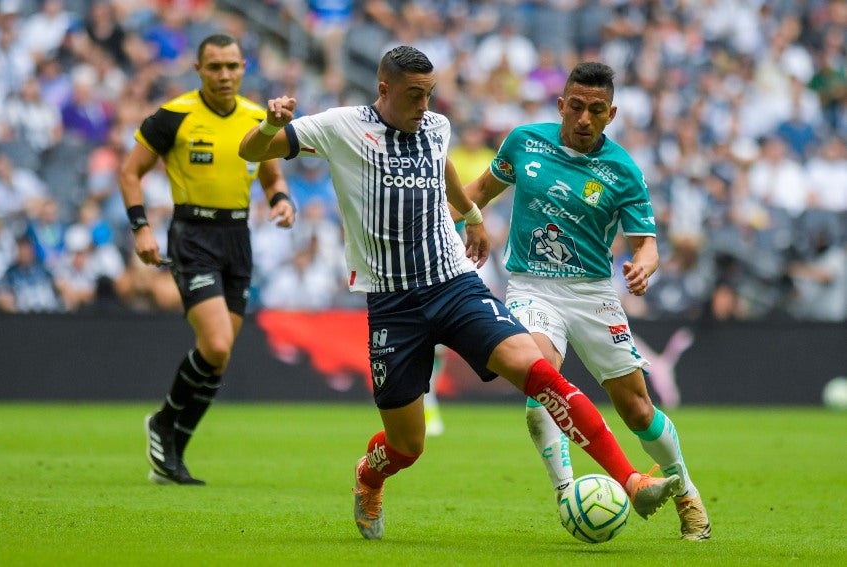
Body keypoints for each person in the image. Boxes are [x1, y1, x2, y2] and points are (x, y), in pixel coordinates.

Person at [239, 45, 680, 540]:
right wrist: (271, 126)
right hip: (393, 302)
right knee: (407, 446)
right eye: (414, 95)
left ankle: (632, 478)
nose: (424, 106)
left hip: (453, 282)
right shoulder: (340, 126)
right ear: (384, 89)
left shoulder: (434, 125)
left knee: (539, 374)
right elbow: (250, 153)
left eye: (430, 94)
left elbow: (441, 164)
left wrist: (470, 216)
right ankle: (369, 476)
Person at [464, 61, 712, 541]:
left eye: (595, 110)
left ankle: (686, 491)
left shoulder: (622, 170)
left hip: (594, 294)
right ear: (561, 104)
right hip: (533, 286)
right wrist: (450, 223)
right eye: (575, 107)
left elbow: (647, 244)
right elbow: (478, 192)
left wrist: (645, 265)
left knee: (638, 410)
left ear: (611, 113)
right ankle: (567, 494)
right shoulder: (524, 142)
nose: (583, 118)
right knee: (541, 384)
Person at [119, 34, 295, 486]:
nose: (224, 75)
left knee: (218, 358)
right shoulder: (175, 116)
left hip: (237, 236)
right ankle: (162, 424)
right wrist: (141, 226)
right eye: (214, 66)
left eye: (232, 66)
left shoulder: (258, 117)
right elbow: (130, 171)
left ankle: (173, 453)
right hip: (192, 234)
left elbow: (271, 173)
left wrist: (281, 200)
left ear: (243, 68)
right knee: (215, 344)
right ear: (198, 69)